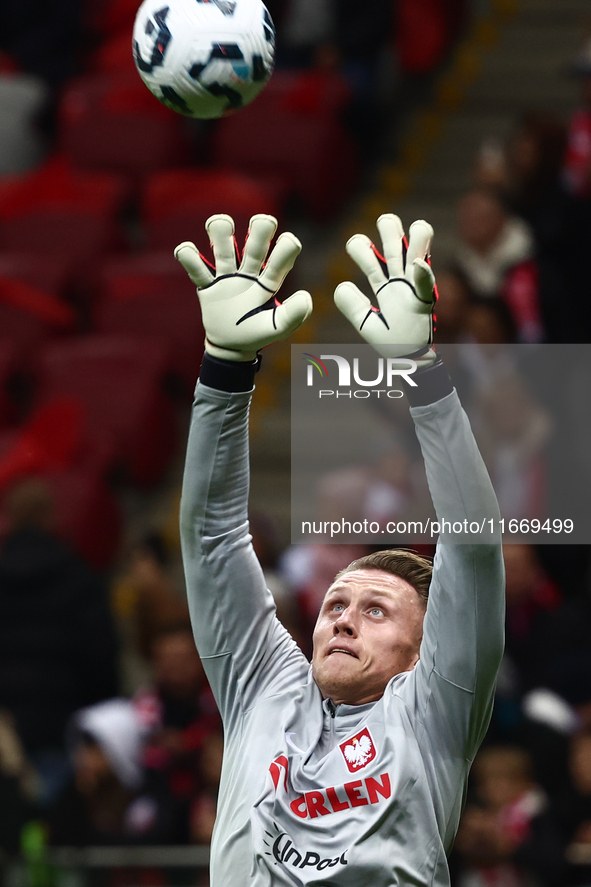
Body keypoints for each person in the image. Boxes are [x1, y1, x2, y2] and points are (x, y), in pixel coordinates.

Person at [175, 211, 504, 885]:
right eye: (335, 604)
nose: (343, 617)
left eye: (377, 610)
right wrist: (226, 368)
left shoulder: (433, 708)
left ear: (424, 650)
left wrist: (419, 372)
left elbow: (471, 544)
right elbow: (211, 536)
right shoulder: (262, 689)